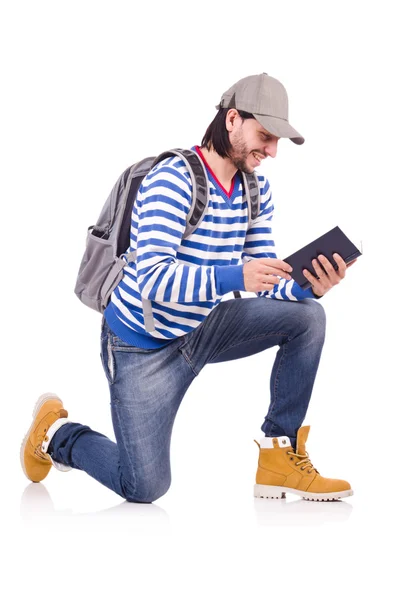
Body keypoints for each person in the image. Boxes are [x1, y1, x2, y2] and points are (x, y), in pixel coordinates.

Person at [21, 73, 357, 502]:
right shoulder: (172, 180)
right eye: (265, 135)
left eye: (277, 141)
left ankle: (278, 455)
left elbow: (265, 281)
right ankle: (58, 435)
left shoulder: (255, 191)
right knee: (143, 486)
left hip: (201, 329)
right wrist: (237, 274)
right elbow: (154, 280)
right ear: (232, 119)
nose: (272, 151)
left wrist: (310, 287)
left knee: (308, 318)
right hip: (140, 345)